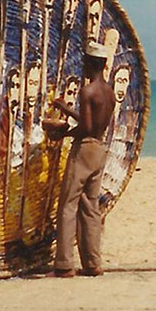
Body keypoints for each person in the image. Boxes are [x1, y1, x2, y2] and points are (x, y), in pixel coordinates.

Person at [45, 41, 112, 277]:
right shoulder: (109, 92)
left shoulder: (88, 91)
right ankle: (92, 262)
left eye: (85, 62)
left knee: (68, 204)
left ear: (92, 63)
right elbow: (95, 125)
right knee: (90, 206)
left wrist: (64, 123)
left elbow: (86, 126)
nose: (82, 66)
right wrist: (68, 113)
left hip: (84, 150)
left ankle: (64, 265)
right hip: (100, 150)